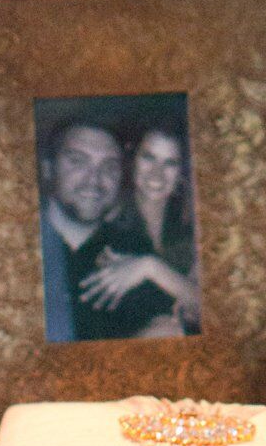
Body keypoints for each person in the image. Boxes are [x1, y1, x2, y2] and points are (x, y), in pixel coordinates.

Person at [76, 118, 203, 339]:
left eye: (170, 163)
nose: (157, 173)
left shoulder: (192, 225)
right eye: (148, 157)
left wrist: (149, 267)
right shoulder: (104, 229)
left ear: (182, 171)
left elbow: (210, 307)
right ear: (132, 159)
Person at [38, 117, 126, 345]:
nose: (94, 180)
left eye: (109, 167)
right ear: (48, 169)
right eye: (78, 162)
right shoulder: (8, 249)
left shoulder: (133, 248)